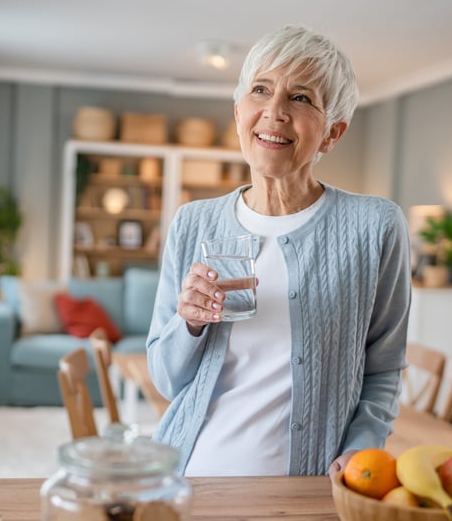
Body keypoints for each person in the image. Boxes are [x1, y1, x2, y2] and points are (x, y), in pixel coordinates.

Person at [145, 24, 410, 477]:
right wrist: (187, 323)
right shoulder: (193, 222)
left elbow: (383, 368)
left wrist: (363, 446)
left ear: (332, 133)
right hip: (190, 476)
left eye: (301, 98)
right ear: (238, 113)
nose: (275, 111)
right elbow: (168, 381)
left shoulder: (376, 226)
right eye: (261, 90)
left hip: (309, 487)